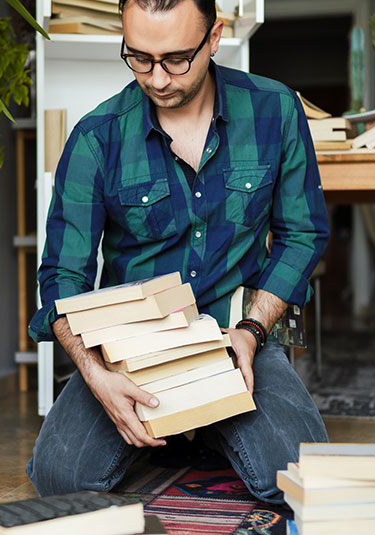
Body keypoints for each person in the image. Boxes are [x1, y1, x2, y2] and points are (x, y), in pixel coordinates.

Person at [26, 0, 329, 504]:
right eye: (139, 57)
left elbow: (302, 234)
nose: (158, 78)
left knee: (299, 480)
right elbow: (61, 276)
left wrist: (252, 333)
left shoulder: (275, 109)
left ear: (215, 37)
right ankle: (194, 426)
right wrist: (97, 375)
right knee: (60, 481)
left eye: (176, 59)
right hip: (130, 353)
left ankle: (206, 426)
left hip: (238, 335)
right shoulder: (95, 137)